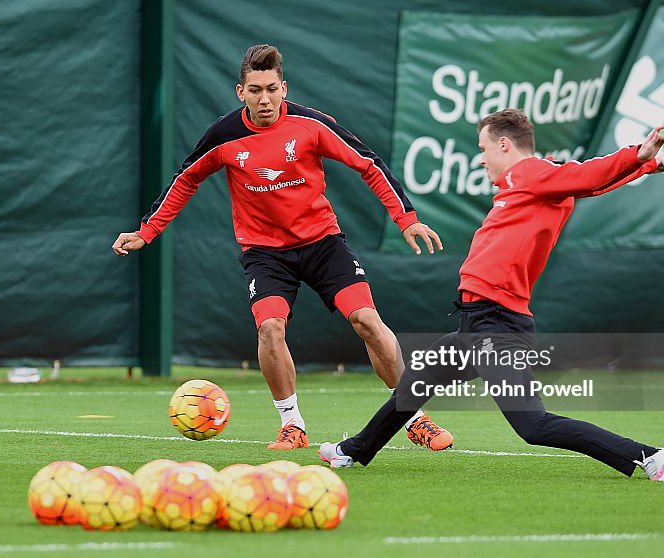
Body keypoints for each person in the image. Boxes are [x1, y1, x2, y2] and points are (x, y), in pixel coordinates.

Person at [113, 44, 453, 451]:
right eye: (255, 90)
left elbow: (368, 162)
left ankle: (412, 416)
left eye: (272, 89)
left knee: (367, 320)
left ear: (283, 88)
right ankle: (292, 426)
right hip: (265, 254)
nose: (265, 99)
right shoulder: (224, 135)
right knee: (269, 327)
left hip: (323, 244)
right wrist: (146, 231)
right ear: (241, 92)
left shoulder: (310, 124)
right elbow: (186, 178)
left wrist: (407, 218)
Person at [320, 108, 664, 482]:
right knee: (415, 385)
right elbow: (587, 183)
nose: (481, 158)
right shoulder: (535, 183)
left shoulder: (531, 174)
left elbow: (587, 176)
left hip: (495, 326)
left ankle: (649, 456)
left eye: (484, 148)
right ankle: (353, 451)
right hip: (474, 324)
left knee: (534, 426)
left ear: (504, 144)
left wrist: (640, 154)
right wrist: (646, 166)